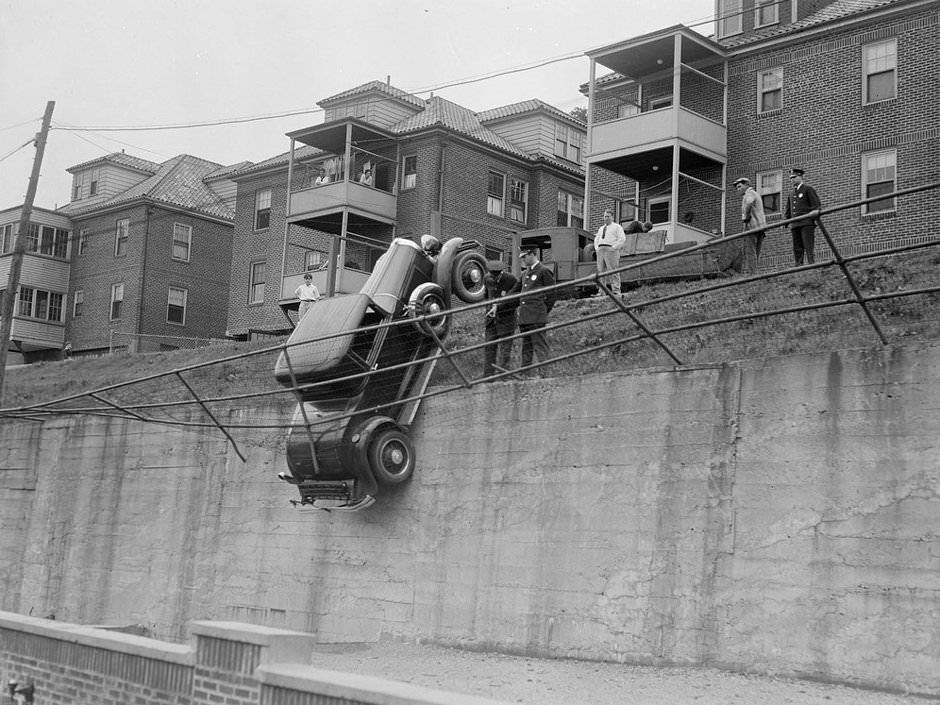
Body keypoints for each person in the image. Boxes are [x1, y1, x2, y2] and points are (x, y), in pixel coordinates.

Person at [511, 245, 556, 374]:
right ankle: (525, 373)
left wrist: (543, 310)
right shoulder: (525, 273)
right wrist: (498, 304)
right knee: (526, 347)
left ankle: (545, 373)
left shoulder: (543, 271)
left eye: (525, 256)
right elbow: (514, 292)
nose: (523, 260)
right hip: (525, 317)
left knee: (540, 345)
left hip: (536, 316)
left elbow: (552, 294)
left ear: (532, 254)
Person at [482, 259, 519, 377]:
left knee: (505, 350)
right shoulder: (487, 279)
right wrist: (489, 308)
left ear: (501, 273)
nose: (493, 277)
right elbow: (485, 296)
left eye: (496, 275)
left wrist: (499, 307)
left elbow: (516, 300)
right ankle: (488, 376)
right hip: (491, 321)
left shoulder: (511, 280)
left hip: (506, 320)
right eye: (491, 274)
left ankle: (503, 375)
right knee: (489, 348)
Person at [783, 167, 821, 266]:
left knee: (808, 245)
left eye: (794, 177)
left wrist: (813, 215)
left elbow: (816, 204)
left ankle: (811, 264)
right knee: (797, 247)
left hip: (806, 222)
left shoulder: (807, 189)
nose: (792, 180)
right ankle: (798, 265)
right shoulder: (791, 193)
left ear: (800, 177)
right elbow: (788, 209)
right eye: (790, 178)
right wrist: (786, 222)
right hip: (795, 224)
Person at [733, 176, 767, 274]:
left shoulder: (749, 193)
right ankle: (754, 273)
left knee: (750, 252)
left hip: (752, 227)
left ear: (746, 185)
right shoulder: (755, 194)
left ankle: (752, 274)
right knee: (756, 252)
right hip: (761, 227)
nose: (738, 189)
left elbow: (749, 203)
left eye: (739, 186)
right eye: (737, 188)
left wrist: (746, 216)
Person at [593, 209, 626, 296]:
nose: (606, 218)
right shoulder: (601, 228)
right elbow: (596, 239)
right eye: (605, 216)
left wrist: (614, 248)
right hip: (600, 250)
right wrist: (597, 248)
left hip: (610, 250)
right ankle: (601, 291)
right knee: (601, 272)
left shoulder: (617, 227)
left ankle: (616, 290)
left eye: (608, 216)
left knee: (613, 270)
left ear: (612, 217)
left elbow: (622, 239)